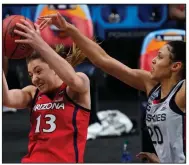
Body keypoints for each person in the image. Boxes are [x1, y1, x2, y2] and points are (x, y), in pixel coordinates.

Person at [38, 12, 186, 163]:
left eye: (160, 57)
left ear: (175, 66)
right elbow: (103, 59)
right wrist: (69, 29)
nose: (153, 60)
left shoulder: (182, 92)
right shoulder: (150, 84)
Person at [3, 20, 91, 163]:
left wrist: (39, 44)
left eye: (38, 71)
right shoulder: (33, 93)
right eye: (31, 75)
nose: (34, 79)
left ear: (54, 67)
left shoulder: (77, 86)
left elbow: (72, 80)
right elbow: (5, 99)